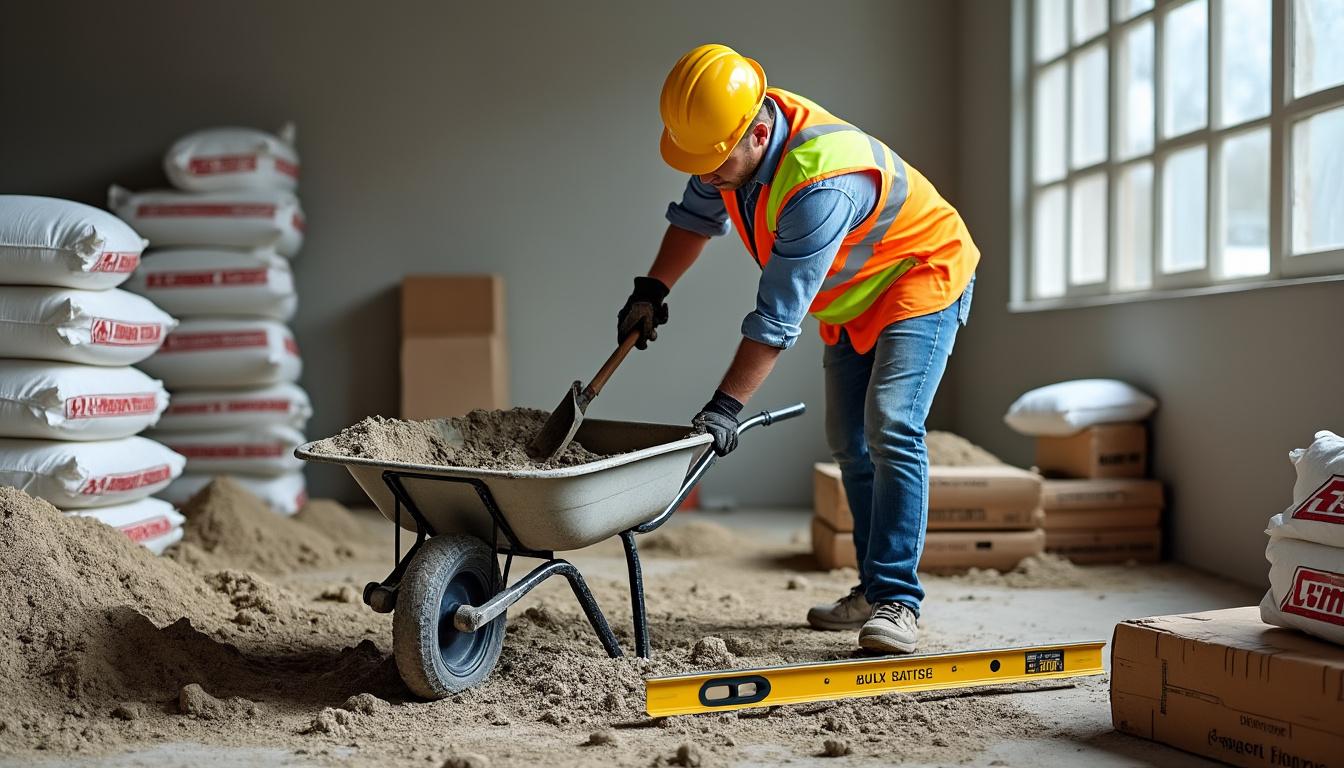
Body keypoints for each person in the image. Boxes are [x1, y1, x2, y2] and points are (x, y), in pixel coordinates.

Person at [619, 44, 978, 654]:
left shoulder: (819, 184)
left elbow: (775, 318)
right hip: (852, 298)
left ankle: (897, 600)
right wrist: (652, 288)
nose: (705, 174)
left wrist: (725, 407)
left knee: (891, 424)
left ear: (759, 133)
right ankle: (869, 590)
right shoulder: (724, 145)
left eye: (712, 163)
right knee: (850, 442)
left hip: (919, 275)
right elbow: (695, 218)